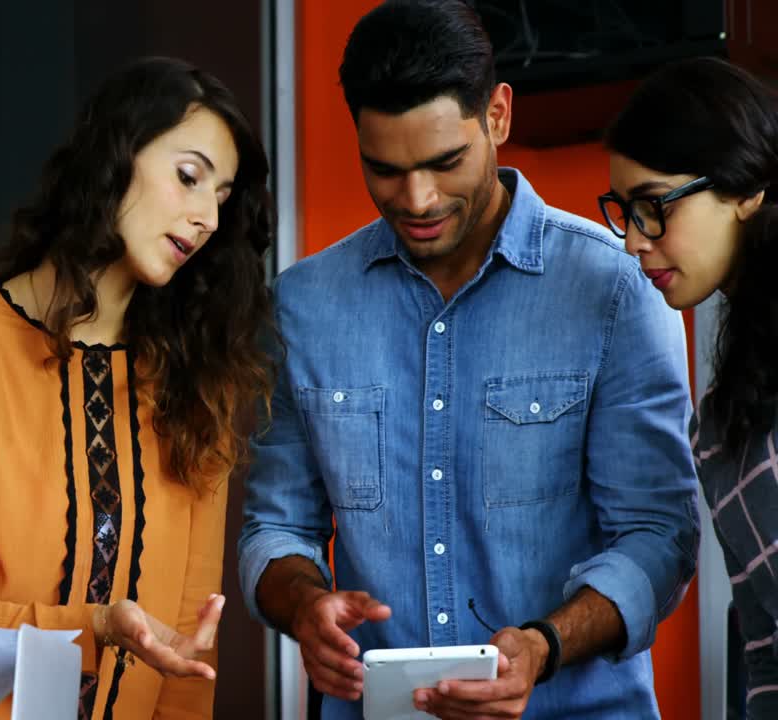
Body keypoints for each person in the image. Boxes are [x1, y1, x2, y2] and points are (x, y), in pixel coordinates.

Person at [238, 1, 699, 718]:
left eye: (444, 162)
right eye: (384, 169)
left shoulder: (613, 290)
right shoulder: (302, 308)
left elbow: (658, 535)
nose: (416, 199)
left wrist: (544, 646)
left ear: (498, 116)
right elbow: (275, 526)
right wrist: (304, 605)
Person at [0, 56, 275, 719]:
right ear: (114, 158)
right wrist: (89, 627)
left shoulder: (196, 381)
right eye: (188, 178)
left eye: (222, 197)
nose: (206, 216)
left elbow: (185, 658)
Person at [601, 56, 778, 718]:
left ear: (745, 186)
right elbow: (762, 645)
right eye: (624, 211)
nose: (631, 242)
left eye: (653, 207)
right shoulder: (719, 419)